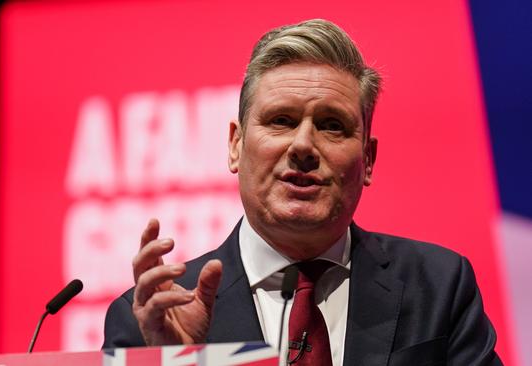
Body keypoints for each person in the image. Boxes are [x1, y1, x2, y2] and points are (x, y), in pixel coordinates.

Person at [102, 19, 502, 365]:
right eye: (281, 120)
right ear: (235, 145)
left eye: (332, 125)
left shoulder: (438, 285)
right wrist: (177, 365)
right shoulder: (151, 315)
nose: (303, 146)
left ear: (368, 158)